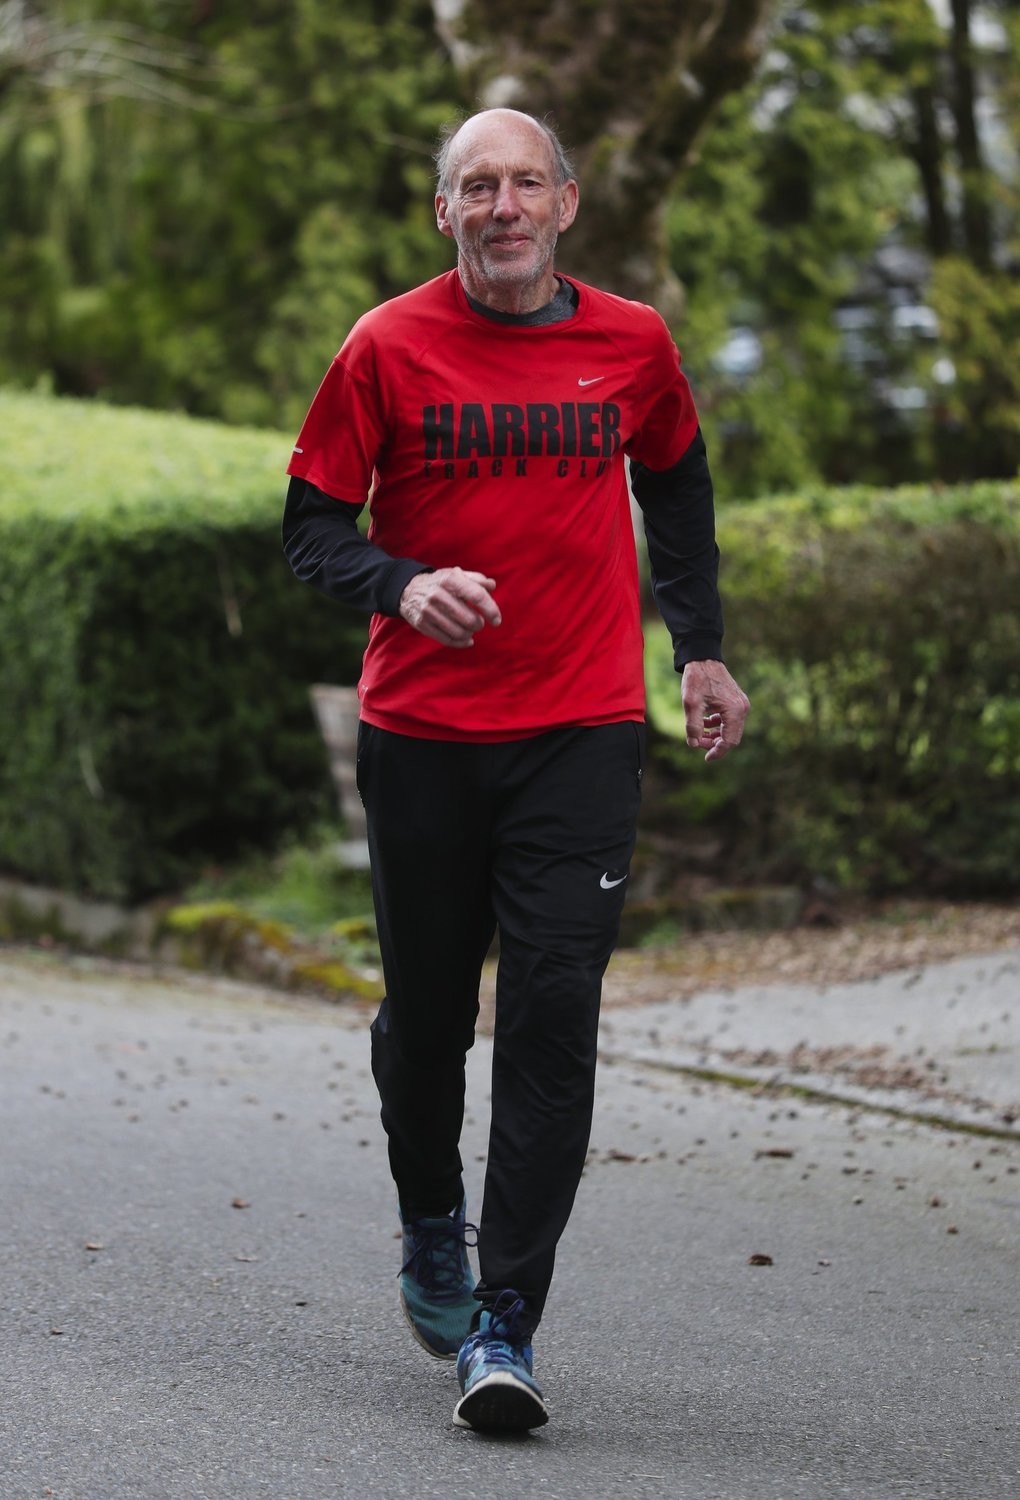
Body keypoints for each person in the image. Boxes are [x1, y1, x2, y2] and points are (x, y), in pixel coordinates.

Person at [282, 107, 750, 1433]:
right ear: (445, 212)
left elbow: (679, 488)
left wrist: (700, 652)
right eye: (478, 186)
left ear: (566, 204)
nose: (504, 207)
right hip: (425, 736)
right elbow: (311, 526)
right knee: (430, 1019)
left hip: (581, 731)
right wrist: (401, 582)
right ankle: (432, 1214)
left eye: (526, 184)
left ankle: (506, 1321)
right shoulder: (386, 345)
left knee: (552, 1012)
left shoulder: (634, 344)